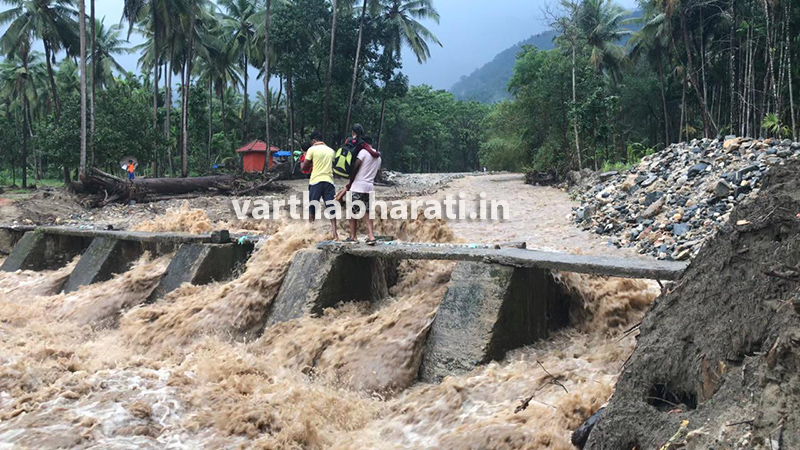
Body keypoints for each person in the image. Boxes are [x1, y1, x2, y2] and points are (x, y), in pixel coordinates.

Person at [344, 130, 381, 245]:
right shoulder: (378, 157)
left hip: (357, 186)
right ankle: (371, 236)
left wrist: (349, 172)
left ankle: (353, 236)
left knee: (352, 212)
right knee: (368, 212)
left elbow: (355, 166)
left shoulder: (363, 153)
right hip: (370, 187)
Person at [301, 131, 338, 239]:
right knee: (331, 207)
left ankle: (309, 232)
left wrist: (304, 158)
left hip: (316, 181)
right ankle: (335, 233)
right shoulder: (331, 151)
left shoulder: (312, 150)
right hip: (329, 181)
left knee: (313, 207)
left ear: (313, 141)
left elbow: (304, 167)